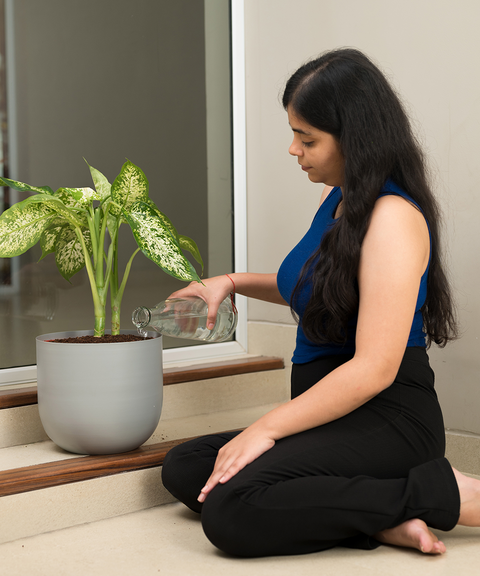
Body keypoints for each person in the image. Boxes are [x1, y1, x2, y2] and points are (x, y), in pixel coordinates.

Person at [161, 48, 480, 557]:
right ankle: (381, 519)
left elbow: (374, 369)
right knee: (188, 467)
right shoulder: (340, 199)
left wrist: (265, 428)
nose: (293, 149)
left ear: (355, 138)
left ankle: (447, 494)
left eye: (306, 138)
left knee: (231, 508)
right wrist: (230, 281)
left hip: (388, 418)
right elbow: (310, 286)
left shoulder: (393, 218)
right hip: (333, 417)